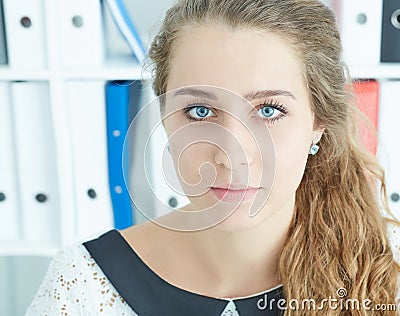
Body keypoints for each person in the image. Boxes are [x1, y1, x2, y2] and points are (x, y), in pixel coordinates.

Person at [26, 0, 400, 315]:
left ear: (317, 124)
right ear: (163, 117)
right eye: (201, 112)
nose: (231, 155)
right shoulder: (83, 286)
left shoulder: (390, 268)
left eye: (268, 111)